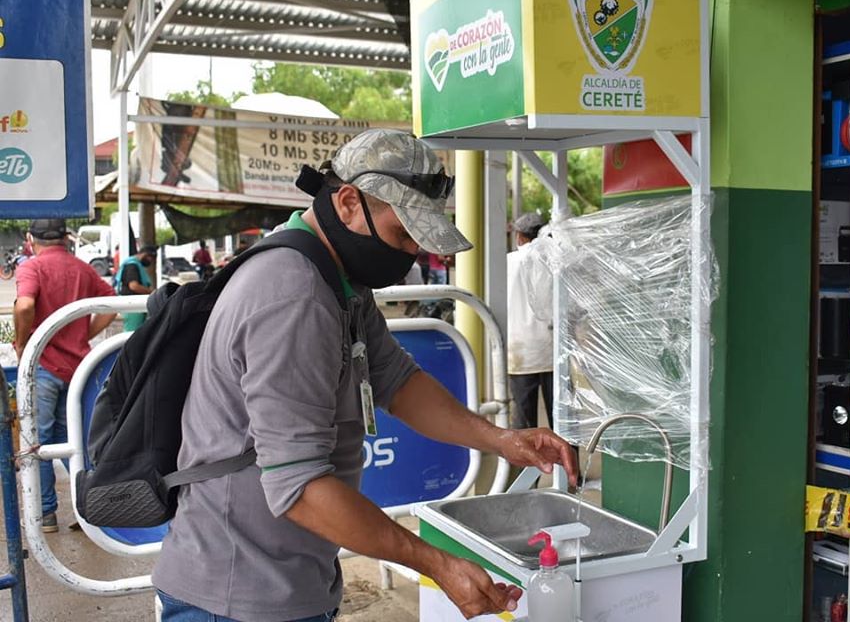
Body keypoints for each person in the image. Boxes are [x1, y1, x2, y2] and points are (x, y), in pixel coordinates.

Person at [152, 129, 578, 622]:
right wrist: (436, 563)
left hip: (285, 580)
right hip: (235, 594)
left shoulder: (336, 277)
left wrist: (501, 439)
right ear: (349, 202)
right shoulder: (294, 296)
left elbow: (398, 382)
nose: (411, 254)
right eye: (403, 234)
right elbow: (299, 486)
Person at [13, 219, 117, 533]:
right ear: (65, 238)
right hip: (78, 368)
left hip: (44, 367)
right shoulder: (81, 268)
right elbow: (111, 302)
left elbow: (25, 305)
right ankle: (91, 509)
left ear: (31, 239)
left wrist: (23, 345)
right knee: (72, 439)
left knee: (39, 442)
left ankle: (46, 513)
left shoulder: (31, 267)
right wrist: (84, 333)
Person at [507, 212, 556, 430]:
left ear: (519, 237)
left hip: (519, 352)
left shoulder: (507, 263)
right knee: (562, 421)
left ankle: (525, 463)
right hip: (553, 351)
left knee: (525, 423)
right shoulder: (555, 263)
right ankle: (566, 463)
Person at [115, 245, 157, 331]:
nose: (151, 262)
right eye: (150, 259)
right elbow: (134, 286)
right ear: (145, 255)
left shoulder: (135, 264)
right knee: (132, 333)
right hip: (132, 306)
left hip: (133, 305)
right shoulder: (132, 265)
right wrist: (152, 292)